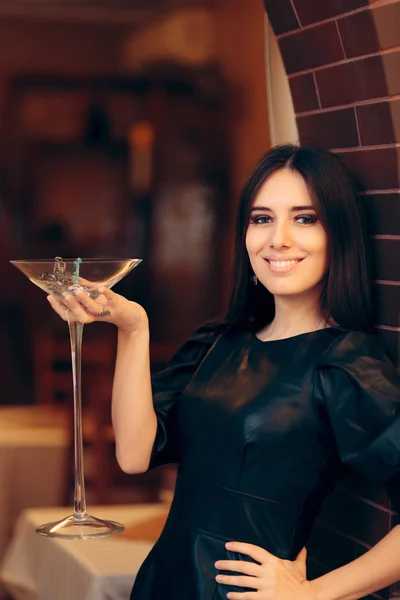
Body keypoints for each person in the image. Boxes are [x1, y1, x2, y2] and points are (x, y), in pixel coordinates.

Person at [48, 144, 400, 600]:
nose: (278, 239)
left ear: (339, 234)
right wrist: (133, 328)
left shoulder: (347, 361)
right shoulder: (218, 342)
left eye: (304, 218)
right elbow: (134, 455)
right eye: (261, 218)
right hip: (165, 581)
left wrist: (318, 593)